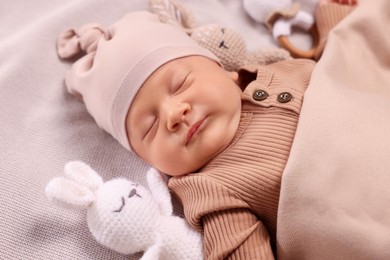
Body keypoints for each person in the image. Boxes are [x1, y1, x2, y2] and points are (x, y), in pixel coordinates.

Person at [56, 9, 325, 259]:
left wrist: (335, 16)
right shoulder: (211, 190)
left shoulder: (284, 72)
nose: (174, 114)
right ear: (150, 161)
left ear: (225, 71)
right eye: (150, 127)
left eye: (181, 84)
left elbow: (349, 65)